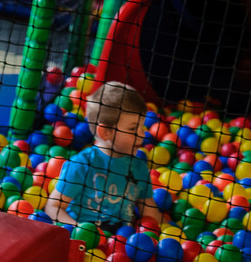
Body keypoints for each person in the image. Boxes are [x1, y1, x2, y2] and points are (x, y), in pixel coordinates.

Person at [44, 80, 165, 230]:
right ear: (105, 132)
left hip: (123, 244)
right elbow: (53, 206)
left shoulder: (139, 168)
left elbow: (150, 213)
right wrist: (80, 230)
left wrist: (169, 232)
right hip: (85, 242)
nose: (142, 134)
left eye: (142, 126)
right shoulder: (82, 165)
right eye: (133, 129)